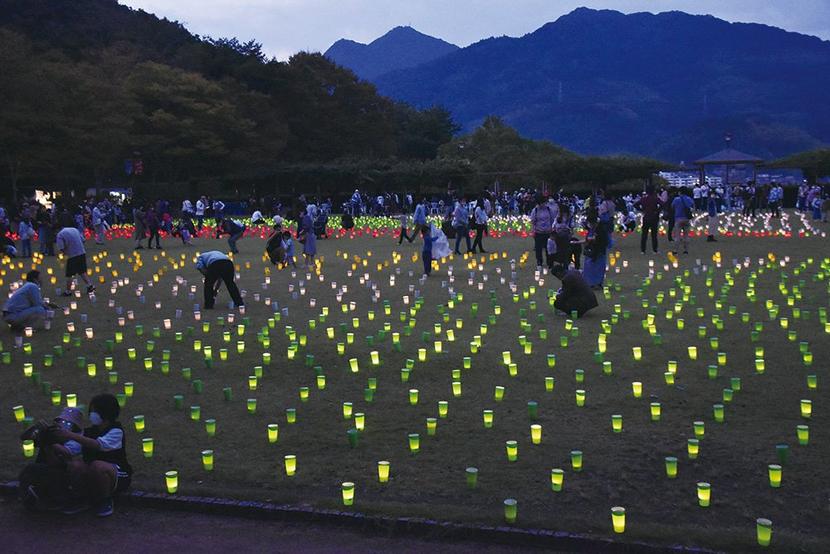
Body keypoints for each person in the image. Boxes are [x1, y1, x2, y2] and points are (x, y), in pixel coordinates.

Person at [58, 394, 132, 517]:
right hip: (93, 472)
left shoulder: (116, 431)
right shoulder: (88, 432)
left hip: (117, 474)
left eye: (94, 411)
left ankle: (105, 500)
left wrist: (70, 435)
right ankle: (81, 498)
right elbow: (70, 450)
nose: (91, 414)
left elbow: (98, 445)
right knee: (75, 465)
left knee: (98, 466)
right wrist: (51, 441)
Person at [56, 221, 94, 296]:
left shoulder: (60, 234)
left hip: (72, 255)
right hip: (82, 252)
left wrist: (64, 254)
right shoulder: (74, 229)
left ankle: (68, 291)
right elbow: (83, 240)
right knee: (82, 271)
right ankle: (90, 285)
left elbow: (61, 248)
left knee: (69, 274)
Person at [635, 184, 663, 254]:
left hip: (646, 217)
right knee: (654, 235)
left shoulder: (643, 199)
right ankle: (655, 250)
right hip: (654, 217)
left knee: (644, 234)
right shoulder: (655, 198)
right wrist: (658, 211)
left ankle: (643, 250)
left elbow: (635, 204)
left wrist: (642, 210)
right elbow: (662, 204)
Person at [529, 194, 555, 268]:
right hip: (538, 232)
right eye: (541, 203)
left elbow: (552, 219)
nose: (543, 204)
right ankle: (539, 262)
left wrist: (552, 229)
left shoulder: (549, 209)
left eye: (544, 202)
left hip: (548, 232)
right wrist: (533, 231)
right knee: (538, 249)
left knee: (548, 248)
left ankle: (550, 262)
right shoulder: (535, 210)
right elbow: (533, 221)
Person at [671, 187, 695, 254]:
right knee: (686, 235)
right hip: (686, 219)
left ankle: (675, 250)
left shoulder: (676, 199)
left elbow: (672, 206)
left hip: (678, 218)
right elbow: (693, 207)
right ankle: (686, 250)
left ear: (680, 192)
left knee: (677, 235)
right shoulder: (689, 199)